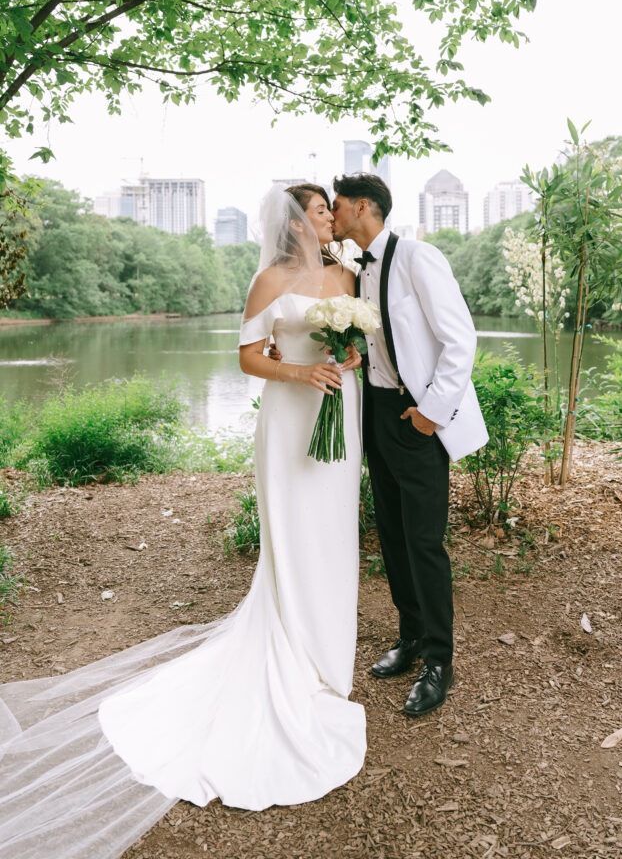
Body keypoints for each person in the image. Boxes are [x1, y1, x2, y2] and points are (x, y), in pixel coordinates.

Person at [0, 184, 366, 859]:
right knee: (292, 538)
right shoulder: (270, 278)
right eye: (318, 208)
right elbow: (247, 357)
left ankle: (324, 653)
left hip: (339, 417)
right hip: (289, 421)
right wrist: (298, 377)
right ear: (294, 220)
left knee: (332, 537)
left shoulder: (346, 273)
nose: (329, 215)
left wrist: (343, 360)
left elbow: (353, 347)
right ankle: (289, 648)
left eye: (329, 210)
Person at [331, 173, 488, 717]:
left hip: (415, 417)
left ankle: (440, 660)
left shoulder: (419, 257)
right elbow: (379, 338)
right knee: (392, 534)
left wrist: (431, 414)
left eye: (337, 207)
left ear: (364, 207)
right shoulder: (356, 268)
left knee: (423, 541)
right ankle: (412, 637)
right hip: (376, 412)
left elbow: (459, 338)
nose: (332, 216)